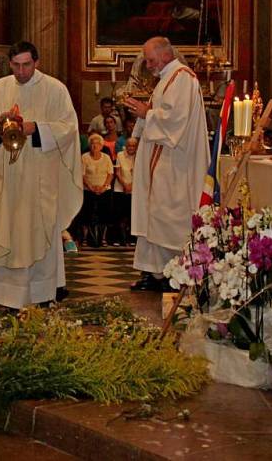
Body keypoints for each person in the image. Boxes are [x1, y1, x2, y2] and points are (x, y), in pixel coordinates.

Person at [0, 41, 83, 309]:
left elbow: (69, 128)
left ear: (36, 62)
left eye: (26, 64)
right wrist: (1, 123)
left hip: (40, 180)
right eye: (16, 65)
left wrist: (34, 128)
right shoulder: (1, 87)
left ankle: (41, 294)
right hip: (9, 180)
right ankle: (8, 296)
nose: (21, 71)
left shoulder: (55, 88)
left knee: (40, 231)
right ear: (10, 63)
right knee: (8, 230)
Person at [125, 36, 210, 291]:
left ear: (164, 54)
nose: (148, 65)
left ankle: (175, 274)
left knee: (168, 217)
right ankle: (153, 272)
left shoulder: (183, 78)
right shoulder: (166, 80)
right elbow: (156, 111)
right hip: (161, 160)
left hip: (175, 163)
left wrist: (145, 113)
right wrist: (136, 135)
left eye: (151, 59)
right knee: (154, 216)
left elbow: (175, 119)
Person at [81, 134, 114, 246]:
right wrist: (90, 187)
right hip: (88, 190)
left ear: (101, 145)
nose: (95, 146)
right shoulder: (84, 157)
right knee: (86, 213)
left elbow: (110, 174)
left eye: (97, 143)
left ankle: (103, 238)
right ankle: (85, 238)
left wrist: (103, 187)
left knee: (104, 214)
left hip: (104, 190)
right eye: (92, 143)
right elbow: (82, 175)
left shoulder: (106, 157)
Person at [113, 137, 137, 246]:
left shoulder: (139, 156)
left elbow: (140, 173)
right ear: (125, 146)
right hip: (120, 188)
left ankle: (131, 239)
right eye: (129, 146)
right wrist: (125, 185)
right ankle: (119, 239)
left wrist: (131, 186)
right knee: (119, 215)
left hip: (135, 189)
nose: (131, 148)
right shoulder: (120, 155)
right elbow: (117, 172)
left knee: (132, 215)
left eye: (133, 146)